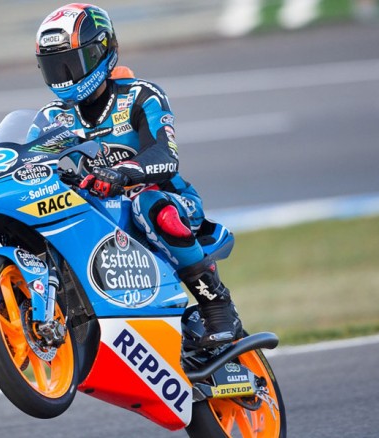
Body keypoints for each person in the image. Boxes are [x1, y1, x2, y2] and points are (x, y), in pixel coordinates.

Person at [29, 4, 242, 348]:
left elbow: (165, 156)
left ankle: (217, 304)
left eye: (71, 63)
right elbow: (29, 164)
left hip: (171, 202)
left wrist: (121, 174)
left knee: (148, 203)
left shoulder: (141, 95)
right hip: (103, 214)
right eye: (55, 67)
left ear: (102, 52)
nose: (64, 75)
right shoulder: (50, 118)